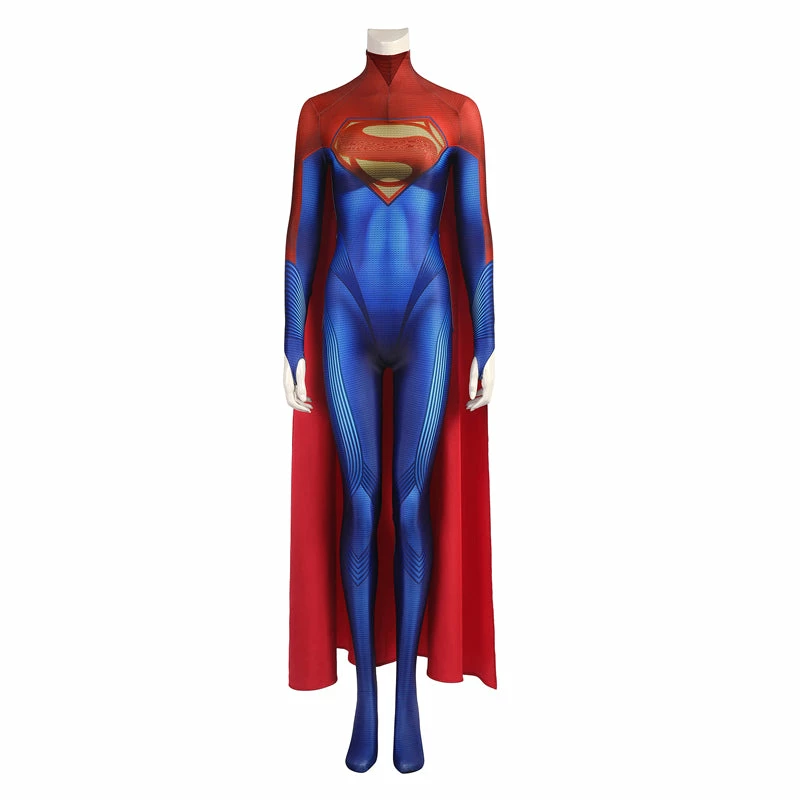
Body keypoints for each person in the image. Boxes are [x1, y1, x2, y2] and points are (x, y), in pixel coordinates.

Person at [283, 27, 496, 773]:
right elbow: (302, 229)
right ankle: (365, 699)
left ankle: (405, 693)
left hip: (426, 314)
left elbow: (475, 230)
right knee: (362, 502)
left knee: (408, 504)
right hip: (346, 315)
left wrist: (488, 337)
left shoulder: (458, 112)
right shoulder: (319, 112)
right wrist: (291, 337)